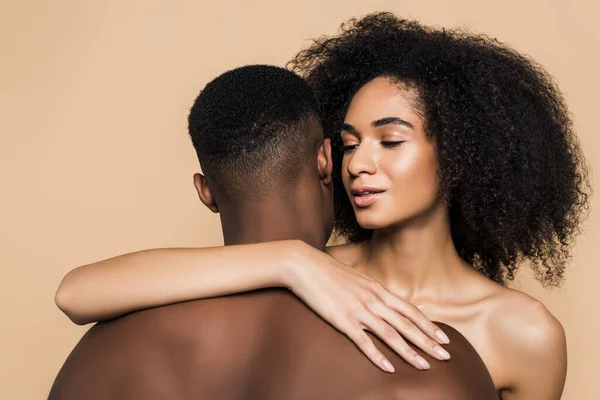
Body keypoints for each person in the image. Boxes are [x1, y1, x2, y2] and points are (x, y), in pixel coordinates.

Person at [55, 13, 590, 399]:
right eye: (351, 142)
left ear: (458, 153)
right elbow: (80, 291)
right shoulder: (307, 269)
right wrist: (291, 260)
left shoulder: (524, 334)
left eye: (391, 140)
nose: (358, 164)